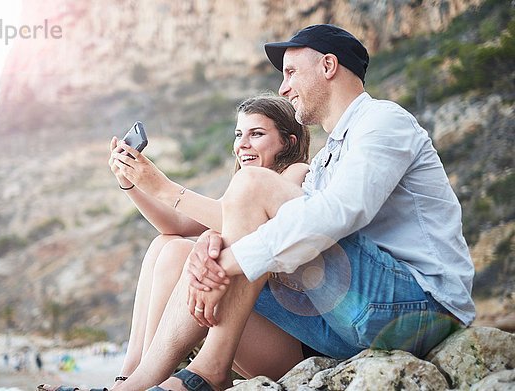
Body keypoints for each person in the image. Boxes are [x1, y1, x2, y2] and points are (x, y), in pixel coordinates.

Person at [109, 24, 475, 391]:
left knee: (251, 188)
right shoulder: (326, 161)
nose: (283, 87)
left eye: (291, 73)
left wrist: (225, 261)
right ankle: (133, 385)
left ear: (329, 66)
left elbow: (342, 212)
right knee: (191, 249)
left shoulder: (383, 121)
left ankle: (207, 372)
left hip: (420, 306)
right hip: (348, 324)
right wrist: (214, 246)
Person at [37, 94, 311, 391]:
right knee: (164, 244)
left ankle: (138, 384)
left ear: (289, 142)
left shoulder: (296, 175)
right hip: (251, 331)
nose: (242, 144)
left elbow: (263, 225)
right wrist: (130, 182)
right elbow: (177, 225)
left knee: (180, 252)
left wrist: (164, 186)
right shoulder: (244, 191)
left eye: (256, 134)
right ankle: (129, 378)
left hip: (291, 346)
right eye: (238, 134)